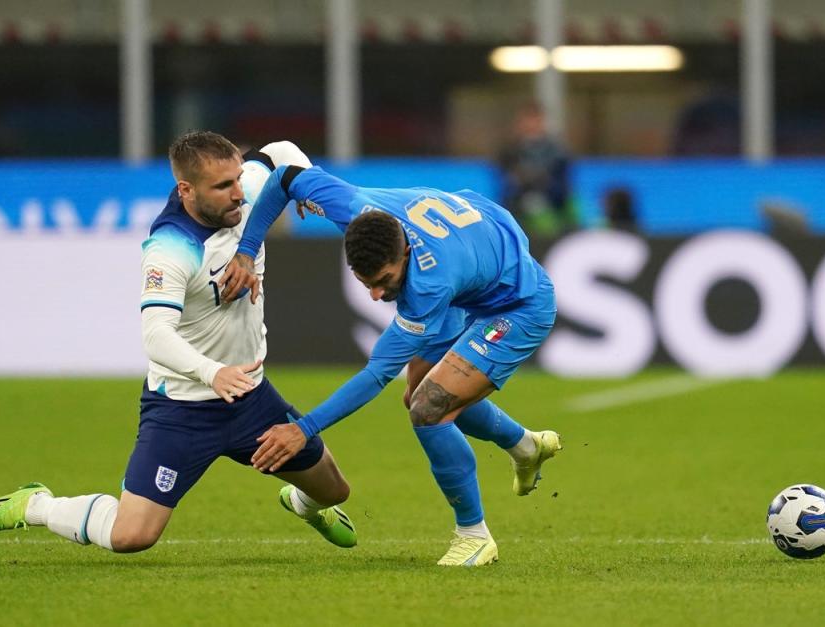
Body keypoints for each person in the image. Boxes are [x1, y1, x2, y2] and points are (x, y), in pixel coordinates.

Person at [0, 132, 357, 553]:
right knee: (132, 536)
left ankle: (302, 506)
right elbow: (156, 335)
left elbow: (280, 151)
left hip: (251, 399)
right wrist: (212, 372)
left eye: (238, 179)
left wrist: (308, 182)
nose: (239, 195)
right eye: (223, 187)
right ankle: (36, 505)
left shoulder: (245, 188)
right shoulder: (170, 249)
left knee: (334, 491)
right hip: (182, 409)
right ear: (186, 190)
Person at [218, 163, 561, 567]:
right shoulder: (352, 207)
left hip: (518, 306)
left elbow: (376, 373)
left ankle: (474, 536)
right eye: (367, 283)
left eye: (385, 279)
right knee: (424, 396)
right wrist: (246, 251)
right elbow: (286, 178)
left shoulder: (428, 286)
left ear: (406, 252)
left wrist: (303, 429)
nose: (378, 295)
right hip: (479, 239)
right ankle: (526, 446)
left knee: (429, 408)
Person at [498, 102, 574, 236]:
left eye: (534, 120)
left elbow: (562, 184)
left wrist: (540, 181)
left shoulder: (557, 151)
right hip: (519, 201)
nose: (530, 124)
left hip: (551, 200)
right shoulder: (510, 151)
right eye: (527, 120)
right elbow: (507, 180)